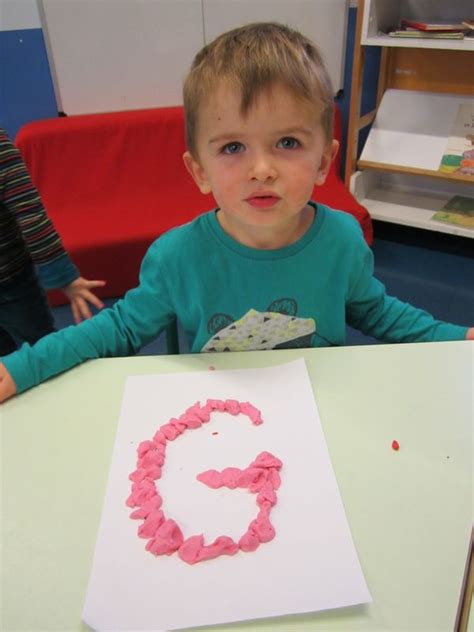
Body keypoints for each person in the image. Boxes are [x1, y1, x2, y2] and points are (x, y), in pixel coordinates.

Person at [0, 22, 472, 402]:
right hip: (219, 416)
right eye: (232, 147)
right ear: (199, 170)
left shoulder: (342, 239)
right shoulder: (178, 256)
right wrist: (20, 369)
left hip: (321, 408)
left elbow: (378, 312)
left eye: (287, 142)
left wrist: (457, 338)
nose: (261, 170)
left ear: (325, 162)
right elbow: (118, 329)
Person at [0, 126, 105, 357]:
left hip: (11, 279)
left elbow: (30, 213)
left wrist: (63, 276)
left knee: (42, 347)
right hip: (11, 278)